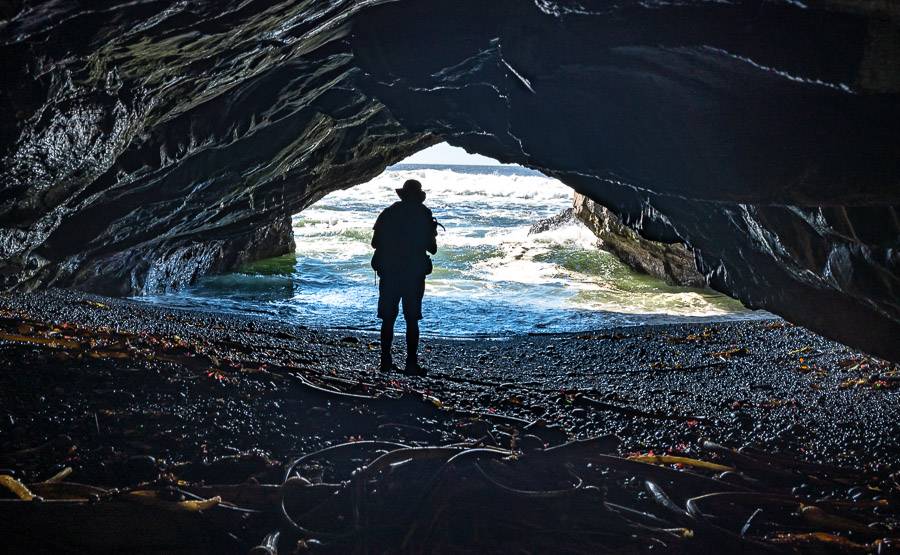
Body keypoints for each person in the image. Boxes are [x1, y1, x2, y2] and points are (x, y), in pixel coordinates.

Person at [371, 179, 438, 375]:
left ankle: (385, 361)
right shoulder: (423, 214)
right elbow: (432, 249)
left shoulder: (389, 212)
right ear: (418, 196)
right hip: (413, 274)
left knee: (388, 319)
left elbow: (375, 243)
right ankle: (411, 364)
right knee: (412, 320)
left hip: (390, 272)